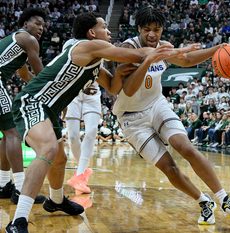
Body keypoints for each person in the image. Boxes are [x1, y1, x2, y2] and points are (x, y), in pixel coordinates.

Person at [6, 12, 192, 232]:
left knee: (59, 158)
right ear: (93, 33)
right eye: (105, 27)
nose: (109, 31)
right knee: (48, 149)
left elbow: (113, 88)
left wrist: (121, 73)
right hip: (32, 101)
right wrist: (174, 53)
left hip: (50, 109)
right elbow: (137, 53)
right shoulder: (87, 46)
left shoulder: (95, 60)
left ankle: (56, 201)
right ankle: (18, 221)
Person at [112, 6, 230, 226]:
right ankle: (203, 201)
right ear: (138, 29)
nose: (151, 34)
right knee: (169, 167)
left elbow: (185, 60)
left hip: (157, 104)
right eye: (146, 29)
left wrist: (217, 49)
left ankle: (224, 198)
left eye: (156, 29)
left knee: (185, 147)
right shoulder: (128, 49)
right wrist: (150, 60)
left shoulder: (164, 47)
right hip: (131, 117)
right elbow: (127, 90)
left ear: (162, 30)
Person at [0, 8, 47, 205]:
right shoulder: (28, 39)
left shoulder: (16, 41)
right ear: (26, 23)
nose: (41, 28)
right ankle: (20, 188)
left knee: (6, 134)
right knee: (13, 134)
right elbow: (41, 73)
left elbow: (26, 75)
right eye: (37, 23)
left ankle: (3, 184)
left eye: (43, 26)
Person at [63, 38, 101, 194]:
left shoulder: (101, 44)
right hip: (73, 93)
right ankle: (83, 172)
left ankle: (79, 175)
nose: (107, 30)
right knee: (72, 136)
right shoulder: (69, 44)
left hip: (92, 92)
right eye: (103, 27)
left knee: (92, 131)